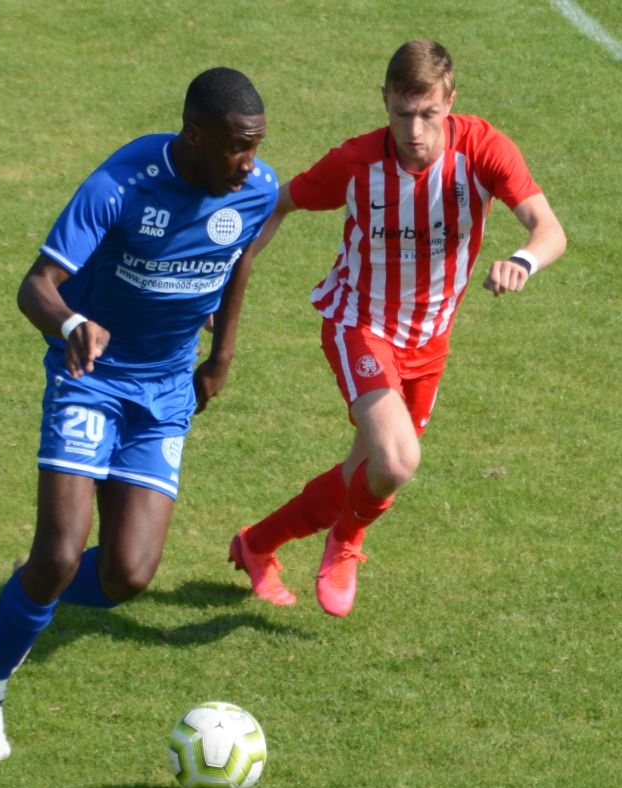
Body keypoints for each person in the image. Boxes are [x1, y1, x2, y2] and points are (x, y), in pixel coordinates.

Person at [0, 67, 279, 761]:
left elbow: (239, 258)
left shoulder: (254, 190)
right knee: (60, 551)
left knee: (127, 574)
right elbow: (35, 285)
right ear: (194, 135)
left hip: (164, 392)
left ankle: (32, 586)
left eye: (255, 146)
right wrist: (72, 322)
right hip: (92, 379)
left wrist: (220, 356)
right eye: (236, 147)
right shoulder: (120, 184)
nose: (249, 163)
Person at [229, 39, 567, 616]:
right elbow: (278, 203)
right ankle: (346, 543)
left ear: (450, 102)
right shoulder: (356, 162)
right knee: (397, 461)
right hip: (359, 324)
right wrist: (225, 282)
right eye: (402, 113)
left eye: (428, 113)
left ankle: (257, 544)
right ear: (384, 99)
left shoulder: (483, 149)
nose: (415, 131)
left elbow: (550, 230)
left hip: (429, 340)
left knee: (364, 472)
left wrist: (523, 260)